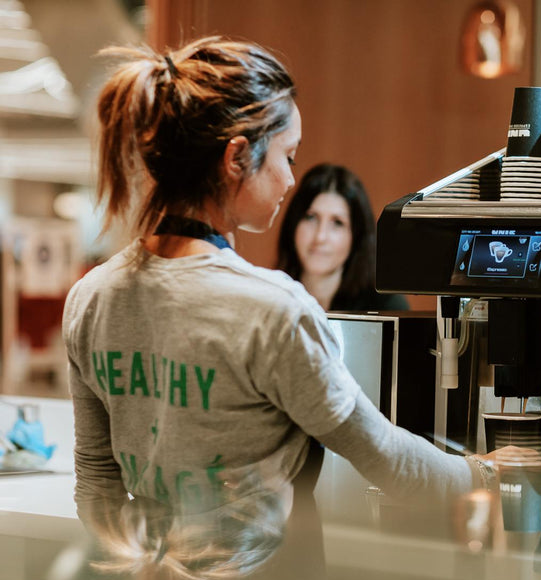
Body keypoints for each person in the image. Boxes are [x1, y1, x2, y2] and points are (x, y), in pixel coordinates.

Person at [61, 37, 493, 516]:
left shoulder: (90, 296)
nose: (290, 180)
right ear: (237, 157)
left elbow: (97, 486)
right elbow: (386, 457)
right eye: (287, 157)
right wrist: (490, 473)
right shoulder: (275, 311)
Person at [276, 164, 407, 312]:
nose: (320, 237)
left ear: (356, 236)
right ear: (293, 223)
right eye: (311, 217)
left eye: (337, 223)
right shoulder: (273, 294)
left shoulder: (385, 306)